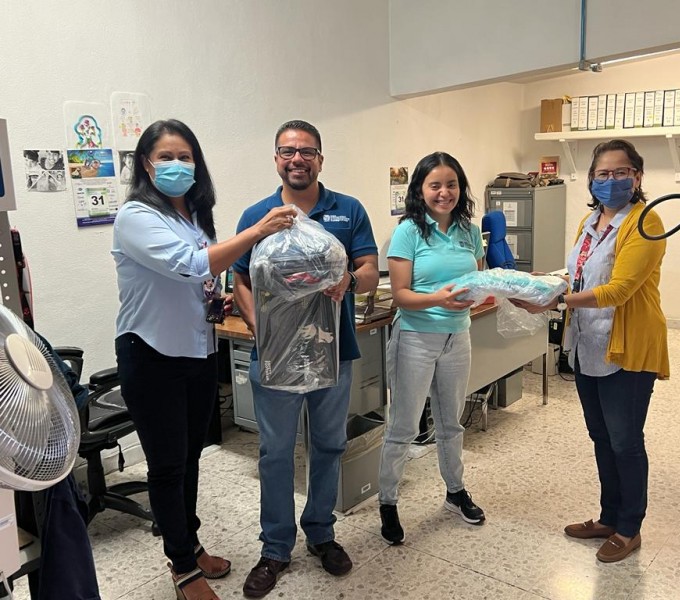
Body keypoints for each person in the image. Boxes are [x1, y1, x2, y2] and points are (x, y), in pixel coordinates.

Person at [112, 118, 297, 600]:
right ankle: (182, 569)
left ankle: (189, 545)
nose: (177, 165)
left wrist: (217, 298)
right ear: (146, 164)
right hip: (151, 354)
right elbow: (191, 265)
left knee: (190, 457)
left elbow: (200, 278)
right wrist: (257, 230)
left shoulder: (193, 216)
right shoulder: (135, 215)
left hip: (197, 351)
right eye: (166, 157)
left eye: (185, 156)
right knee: (167, 466)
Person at [232, 119, 378, 599]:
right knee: (275, 452)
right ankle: (275, 548)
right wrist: (260, 328)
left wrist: (349, 281)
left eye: (307, 151)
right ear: (277, 159)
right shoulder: (257, 215)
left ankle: (320, 533)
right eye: (288, 151)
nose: (297, 159)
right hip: (275, 356)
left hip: (333, 352)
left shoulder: (347, 210)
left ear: (320, 158)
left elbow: (370, 271)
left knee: (330, 445)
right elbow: (240, 281)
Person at [510, 139, 669, 563]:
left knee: (625, 441)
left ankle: (629, 527)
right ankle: (609, 517)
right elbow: (580, 274)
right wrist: (547, 282)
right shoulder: (591, 221)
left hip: (626, 349)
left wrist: (556, 301)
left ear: (637, 176)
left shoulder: (645, 222)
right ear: (592, 179)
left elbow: (619, 290)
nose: (610, 180)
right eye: (602, 174)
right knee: (601, 437)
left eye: (620, 173)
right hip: (587, 345)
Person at [377, 151, 486, 547]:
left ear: (461, 188)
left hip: (458, 337)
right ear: (420, 190)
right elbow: (400, 295)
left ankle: (455, 492)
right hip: (415, 338)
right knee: (404, 426)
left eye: (451, 184)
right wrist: (440, 299)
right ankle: (388, 501)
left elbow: (479, 279)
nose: (444, 192)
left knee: (451, 422)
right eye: (435, 185)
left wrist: (492, 291)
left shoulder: (469, 231)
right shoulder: (408, 231)